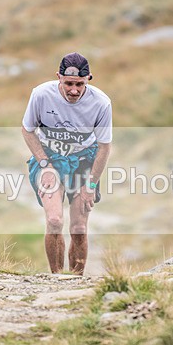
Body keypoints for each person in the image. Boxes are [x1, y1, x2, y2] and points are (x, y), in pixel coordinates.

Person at [22, 53, 112, 274]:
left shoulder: (101, 102)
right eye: (69, 83)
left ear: (88, 79)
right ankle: (56, 279)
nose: (74, 90)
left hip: (84, 161)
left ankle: (75, 281)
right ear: (58, 78)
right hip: (50, 159)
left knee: (79, 228)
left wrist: (90, 185)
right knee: (54, 220)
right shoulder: (41, 94)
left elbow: (104, 147)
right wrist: (45, 164)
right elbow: (27, 129)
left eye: (80, 84)